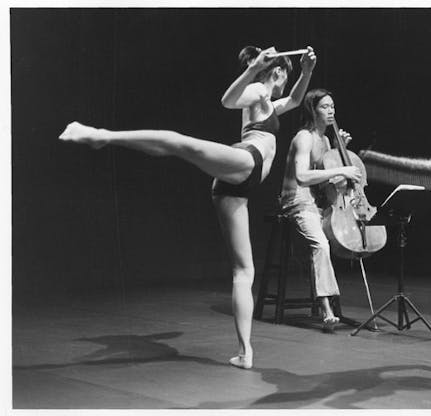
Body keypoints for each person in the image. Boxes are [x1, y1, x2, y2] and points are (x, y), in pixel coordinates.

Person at [59, 45, 317, 369]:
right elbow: (227, 101)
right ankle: (101, 135)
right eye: (286, 75)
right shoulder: (255, 90)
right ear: (277, 72)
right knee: (178, 142)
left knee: (244, 271)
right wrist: (254, 69)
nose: (284, 83)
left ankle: (245, 352)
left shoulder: (266, 99)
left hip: (237, 186)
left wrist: (306, 73)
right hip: (244, 164)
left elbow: (293, 100)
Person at [280, 88, 361, 332]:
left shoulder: (326, 140)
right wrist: (340, 170)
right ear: (312, 110)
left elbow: (325, 183)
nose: (331, 111)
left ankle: (329, 302)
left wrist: (338, 151)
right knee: (322, 245)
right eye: (325, 107)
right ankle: (326, 308)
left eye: (332, 106)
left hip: (317, 202)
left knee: (340, 237)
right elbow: (303, 176)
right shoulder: (304, 137)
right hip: (297, 200)